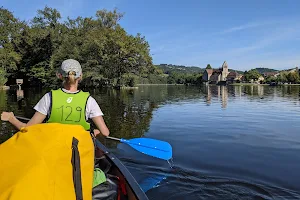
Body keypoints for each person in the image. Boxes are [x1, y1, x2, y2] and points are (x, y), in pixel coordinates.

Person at [1, 59, 109, 137]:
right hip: (78, 157)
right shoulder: (89, 101)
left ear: (60, 76)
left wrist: (11, 118)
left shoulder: (49, 97)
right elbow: (105, 132)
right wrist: (94, 132)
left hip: (53, 153)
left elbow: (27, 129)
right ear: (80, 76)